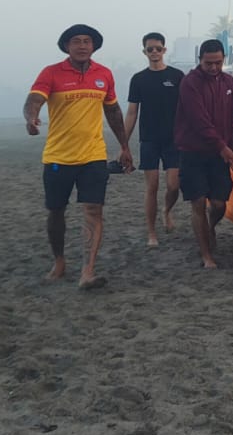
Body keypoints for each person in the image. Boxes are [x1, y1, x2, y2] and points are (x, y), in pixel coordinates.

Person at [25, 24, 133, 288]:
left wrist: (124, 146)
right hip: (58, 157)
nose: (82, 46)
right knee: (56, 211)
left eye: (87, 41)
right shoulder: (51, 73)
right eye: (76, 41)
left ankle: (88, 271)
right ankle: (59, 261)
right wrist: (31, 118)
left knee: (94, 210)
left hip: (93, 156)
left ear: (94, 46)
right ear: (67, 46)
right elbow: (34, 100)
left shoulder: (103, 74)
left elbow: (113, 111)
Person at [174, 39, 233, 270]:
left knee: (219, 204)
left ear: (224, 60)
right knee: (198, 202)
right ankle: (206, 255)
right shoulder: (189, 83)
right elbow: (199, 120)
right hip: (193, 151)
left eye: (218, 63)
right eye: (208, 63)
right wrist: (222, 147)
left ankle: (210, 227)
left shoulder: (229, 82)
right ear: (200, 60)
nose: (213, 68)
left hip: (220, 155)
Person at [124, 32, 185, 248]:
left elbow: (188, 107)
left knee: (174, 185)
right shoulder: (139, 79)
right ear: (144, 52)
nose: (154, 52)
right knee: (152, 187)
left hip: (174, 139)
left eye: (158, 48)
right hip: (149, 139)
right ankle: (151, 232)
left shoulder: (177, 76)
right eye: (150, 49)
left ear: (164, 50)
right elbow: (132, 112)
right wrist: (124, 143)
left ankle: (166, 210)